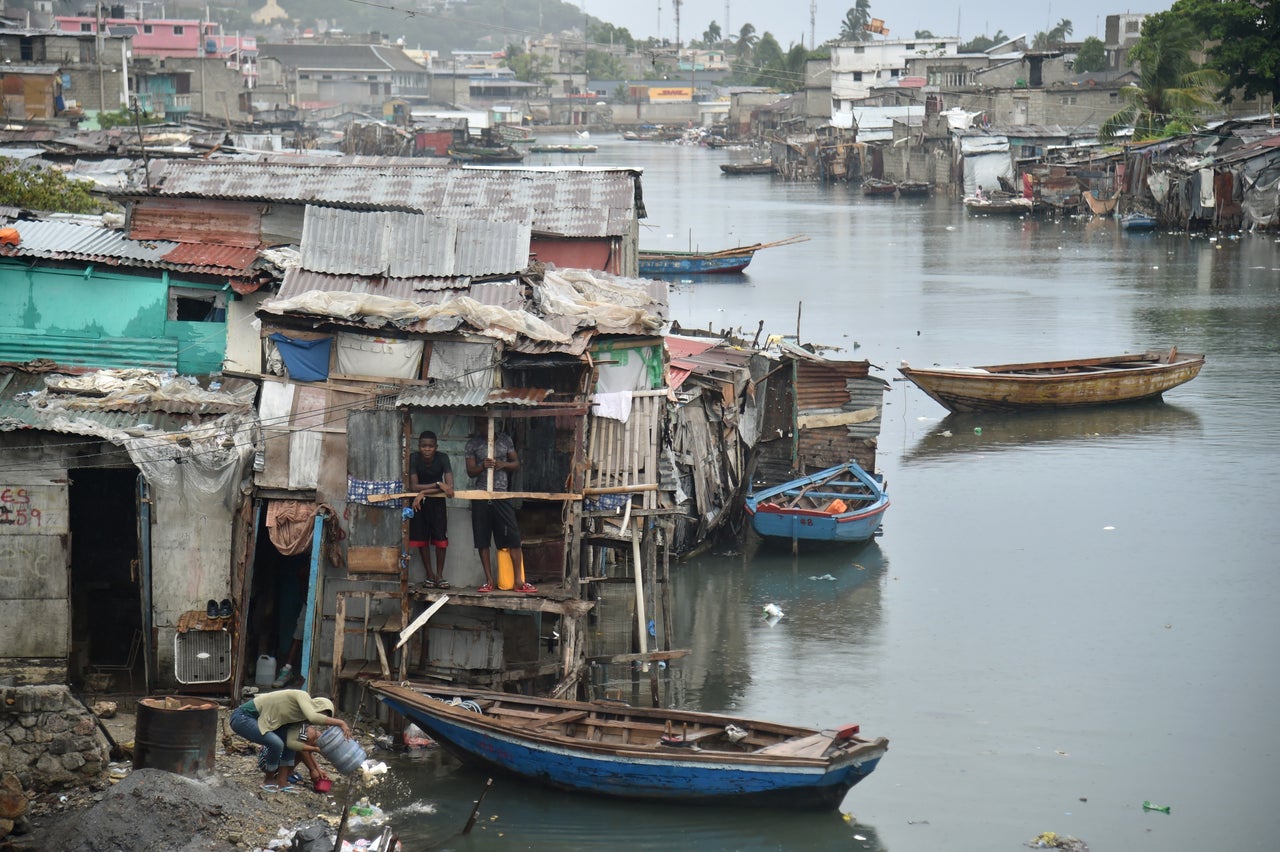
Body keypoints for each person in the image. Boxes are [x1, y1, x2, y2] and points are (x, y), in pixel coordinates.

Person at [229, 688, 351, 792]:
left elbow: (292, 744)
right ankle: (269, 780)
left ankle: (282, 780)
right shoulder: (302, 698)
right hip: (244, 719)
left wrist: (316, 764)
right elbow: (310, 727)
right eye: (322, 716)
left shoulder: (299, 722)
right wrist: (341, 723)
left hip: (274, 755)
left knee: (290, 743)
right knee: (278, 742)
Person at [464, 418, 535, 594]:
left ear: (493, 424)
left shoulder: (505, 440)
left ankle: (519, 581)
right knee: (482, 539)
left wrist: (503, 464)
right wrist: (483, 466)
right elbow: (470, 471)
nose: (483, 427)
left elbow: (516, 464)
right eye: (480, 423)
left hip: (501, 495)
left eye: (486, 423)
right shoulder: (472, 444)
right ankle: (489, 581)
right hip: (481, 495)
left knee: (513, 537)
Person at [408, 430, 454, 589]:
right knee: (422, 539)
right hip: (418, 503)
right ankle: (429, 575)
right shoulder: (414, 458)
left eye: (430, 446)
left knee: (440, 539)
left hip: (437, 503)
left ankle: (440, 576)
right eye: (423, 446)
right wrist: (437, 484)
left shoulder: (443, 458)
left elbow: (449, 488)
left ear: (436, 447)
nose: (427, 449)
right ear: (419, 446)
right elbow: (413, 486)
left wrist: (423, 492)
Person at [256, 722, 329, 789]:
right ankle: (283, 776)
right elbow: (302, 750)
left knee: (311, 737)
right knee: (309, 736)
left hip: (269, 760)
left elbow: (307, 750)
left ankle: (285, 774)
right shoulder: (304, 728)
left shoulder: (303, 725)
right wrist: (312, 770)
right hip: (268, 761)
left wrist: (318, 769)